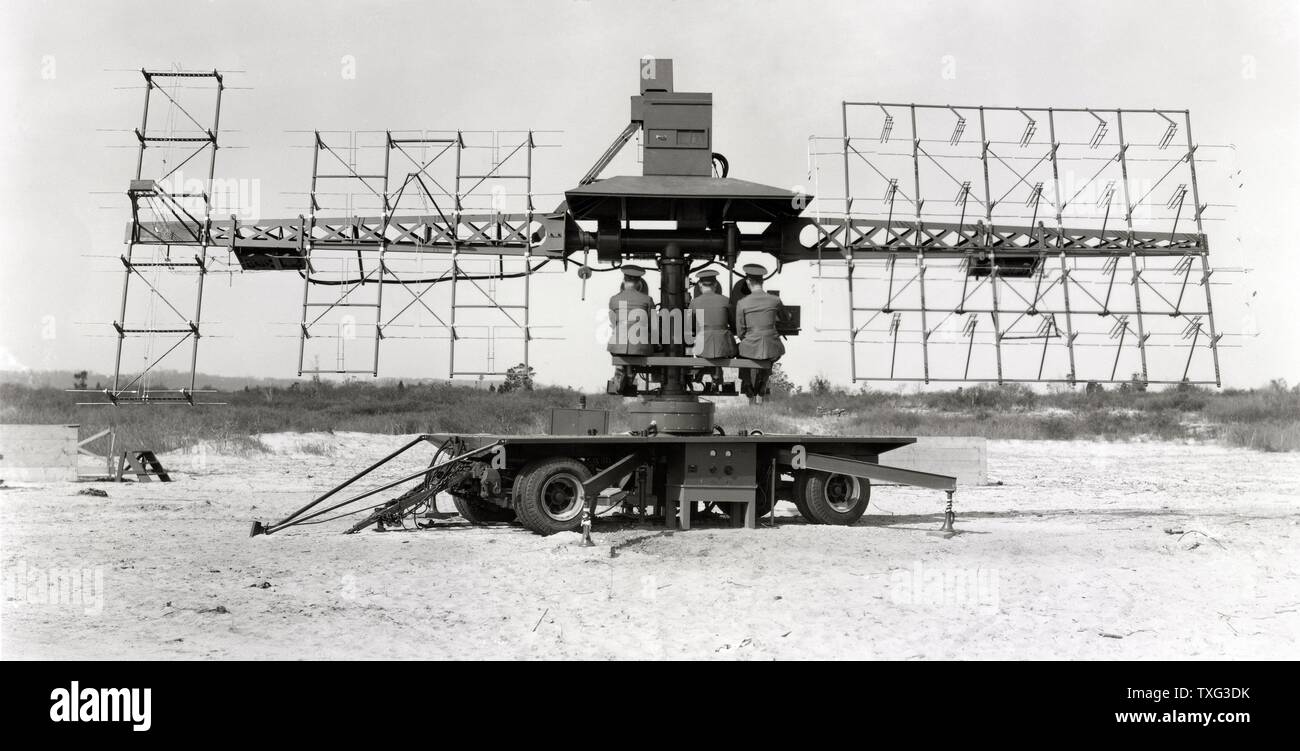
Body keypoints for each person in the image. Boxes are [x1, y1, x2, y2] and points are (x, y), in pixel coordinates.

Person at [734, 263, 785, 402]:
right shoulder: (775, 300)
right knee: (769, 356)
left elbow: (740, 330)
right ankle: (764, 380)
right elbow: (786, 319)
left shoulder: (742, 302)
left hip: (750, 344)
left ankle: (747, 383)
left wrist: (747, 338)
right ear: (762, 281)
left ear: (748, 281)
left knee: (741, 353)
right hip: (771, 344)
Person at [607, 265, 655, 395]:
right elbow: (653, 325)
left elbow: (613, 323)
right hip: (640, 347)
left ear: (624, 280)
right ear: (639, 283)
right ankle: (630, 374)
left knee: (619, 348)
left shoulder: (614, 299)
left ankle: (621, 370)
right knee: (643, 349)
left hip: (618, 347)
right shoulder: (647, 300)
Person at [687, 269, 735, 392]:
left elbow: (689, 326)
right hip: (724, 346)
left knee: (704, 349)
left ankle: (710, 373)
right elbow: (734, 324)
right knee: (718, 352)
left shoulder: (694, 303)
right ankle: (716, 374)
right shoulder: (726, 300)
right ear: (716, 285)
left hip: (702, 347)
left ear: (700, 285)